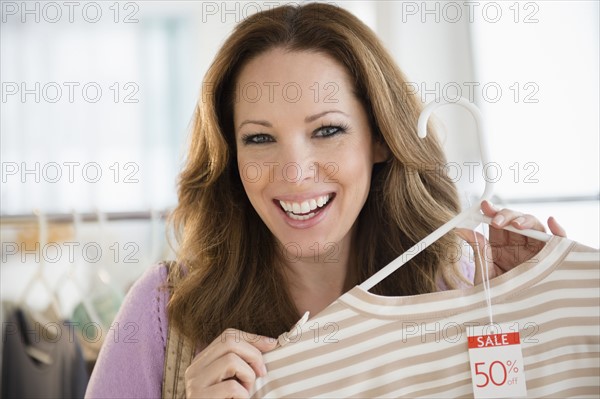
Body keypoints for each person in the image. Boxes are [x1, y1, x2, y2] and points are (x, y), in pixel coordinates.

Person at [85, 3, 566, 398]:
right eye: (259, 139)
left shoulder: (467, 290)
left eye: (328, 130)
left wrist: (547, 322)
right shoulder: (161, 315)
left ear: (380, 138)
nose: (294, 174)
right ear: (231, 155)